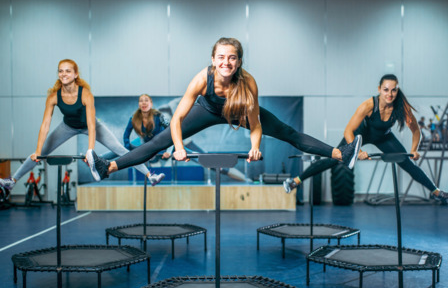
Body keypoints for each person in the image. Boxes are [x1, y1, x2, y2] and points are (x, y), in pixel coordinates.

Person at [85, 37, 362, 181]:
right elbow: (177, 119)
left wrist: (254, 147)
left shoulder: (248, 82)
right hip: (206, 109)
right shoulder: (201, 78)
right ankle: (108, 166)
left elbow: (255, 125)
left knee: (287, 132)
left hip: (238, 112)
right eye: (221, 57)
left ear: (239, 62)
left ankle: (341, 154)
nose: (226, 62)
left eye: (232, 58)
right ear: (213, 59)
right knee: (159, 142)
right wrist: (179, 147)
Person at [0, 59, 164, 196]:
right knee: (39, 153)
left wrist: (90, 151)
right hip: (68, 126)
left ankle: (151, 176)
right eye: (61, 71)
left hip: (91, 125)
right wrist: (37, 150)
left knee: (120, 149)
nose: (63, 74)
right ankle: (11, 182)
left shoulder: (85, 94)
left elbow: (91, 125)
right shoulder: (53, 97)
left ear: (75, 74)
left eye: (68, 71)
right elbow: (45, 125)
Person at [283, 74, 448, 205]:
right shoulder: (369, 105)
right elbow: (349, 130)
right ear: (379, 89)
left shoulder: (401, 105)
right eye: (386, 90)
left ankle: (436, 192)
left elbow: (416, 130)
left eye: (393, 90)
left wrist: (414, 150)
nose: (390, 94)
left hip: (384, 137)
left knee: (407, 162)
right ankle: (295, 181)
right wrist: (358, 151)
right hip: (361, 134)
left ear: (397, 90)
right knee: (333, 158)